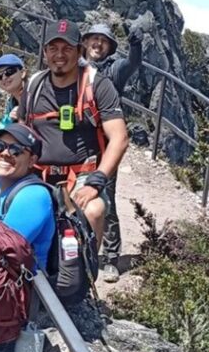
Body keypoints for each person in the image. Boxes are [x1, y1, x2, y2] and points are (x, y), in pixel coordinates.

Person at [17, 18, 128, 245]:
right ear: (45, 52)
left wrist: (97, 181)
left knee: (94, 210)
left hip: (81, 175)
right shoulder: (34, 84)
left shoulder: (97, 84)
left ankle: (86, 274)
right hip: (38, 173)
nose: (60, 54)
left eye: (67, 48)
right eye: (53, 48)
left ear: (79, 51)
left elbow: (120, 137)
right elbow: (21, 130)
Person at [81, 22, 142, 283]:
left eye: (103, 41)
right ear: (85, 43)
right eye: (93, 39)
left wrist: (136, 45)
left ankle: (110, 258)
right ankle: (79, 250)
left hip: (106, 146)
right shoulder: (76, 68)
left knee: (106, 199)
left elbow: (132, 63)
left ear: (109, 47)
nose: (97, 43)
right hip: (77, 144)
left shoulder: (114, 71)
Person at [0, 123, 56, 268]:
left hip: (20, 285)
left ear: (32, 160)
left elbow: (1, 252)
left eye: (16, 150)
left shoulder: (34, 196)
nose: (5, 153)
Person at [0, 52, 27, 129]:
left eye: (9, 72)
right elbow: (2, 129)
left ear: (23, 73)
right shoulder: (11, 102)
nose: (4, 78)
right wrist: (10, 119)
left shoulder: (35, 96)